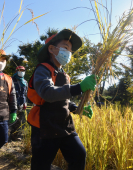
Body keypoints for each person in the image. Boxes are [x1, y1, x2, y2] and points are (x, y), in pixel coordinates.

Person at [27, 29, 96, 170]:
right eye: (65, 47)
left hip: (64, 125)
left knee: (79, 155)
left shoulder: (64, 74)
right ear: (51, 49)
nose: (69, 53)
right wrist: (79, 87)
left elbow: (62, 100)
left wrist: (77, 108)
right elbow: (47, 93)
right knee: (41, 166)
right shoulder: (42, 70)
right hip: (45, 126)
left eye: (70, 50)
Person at [9, 66, 28, 141]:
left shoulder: (25, 82)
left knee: (19, 121)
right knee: (10, 120)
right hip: (11, 103)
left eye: (23, 70)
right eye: (19, 70)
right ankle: (6, 137)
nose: (21, 72)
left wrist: (25, 102)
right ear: (15, 71)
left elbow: (25, 93)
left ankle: (15, 135)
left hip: (21, 103)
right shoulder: (11, 80)